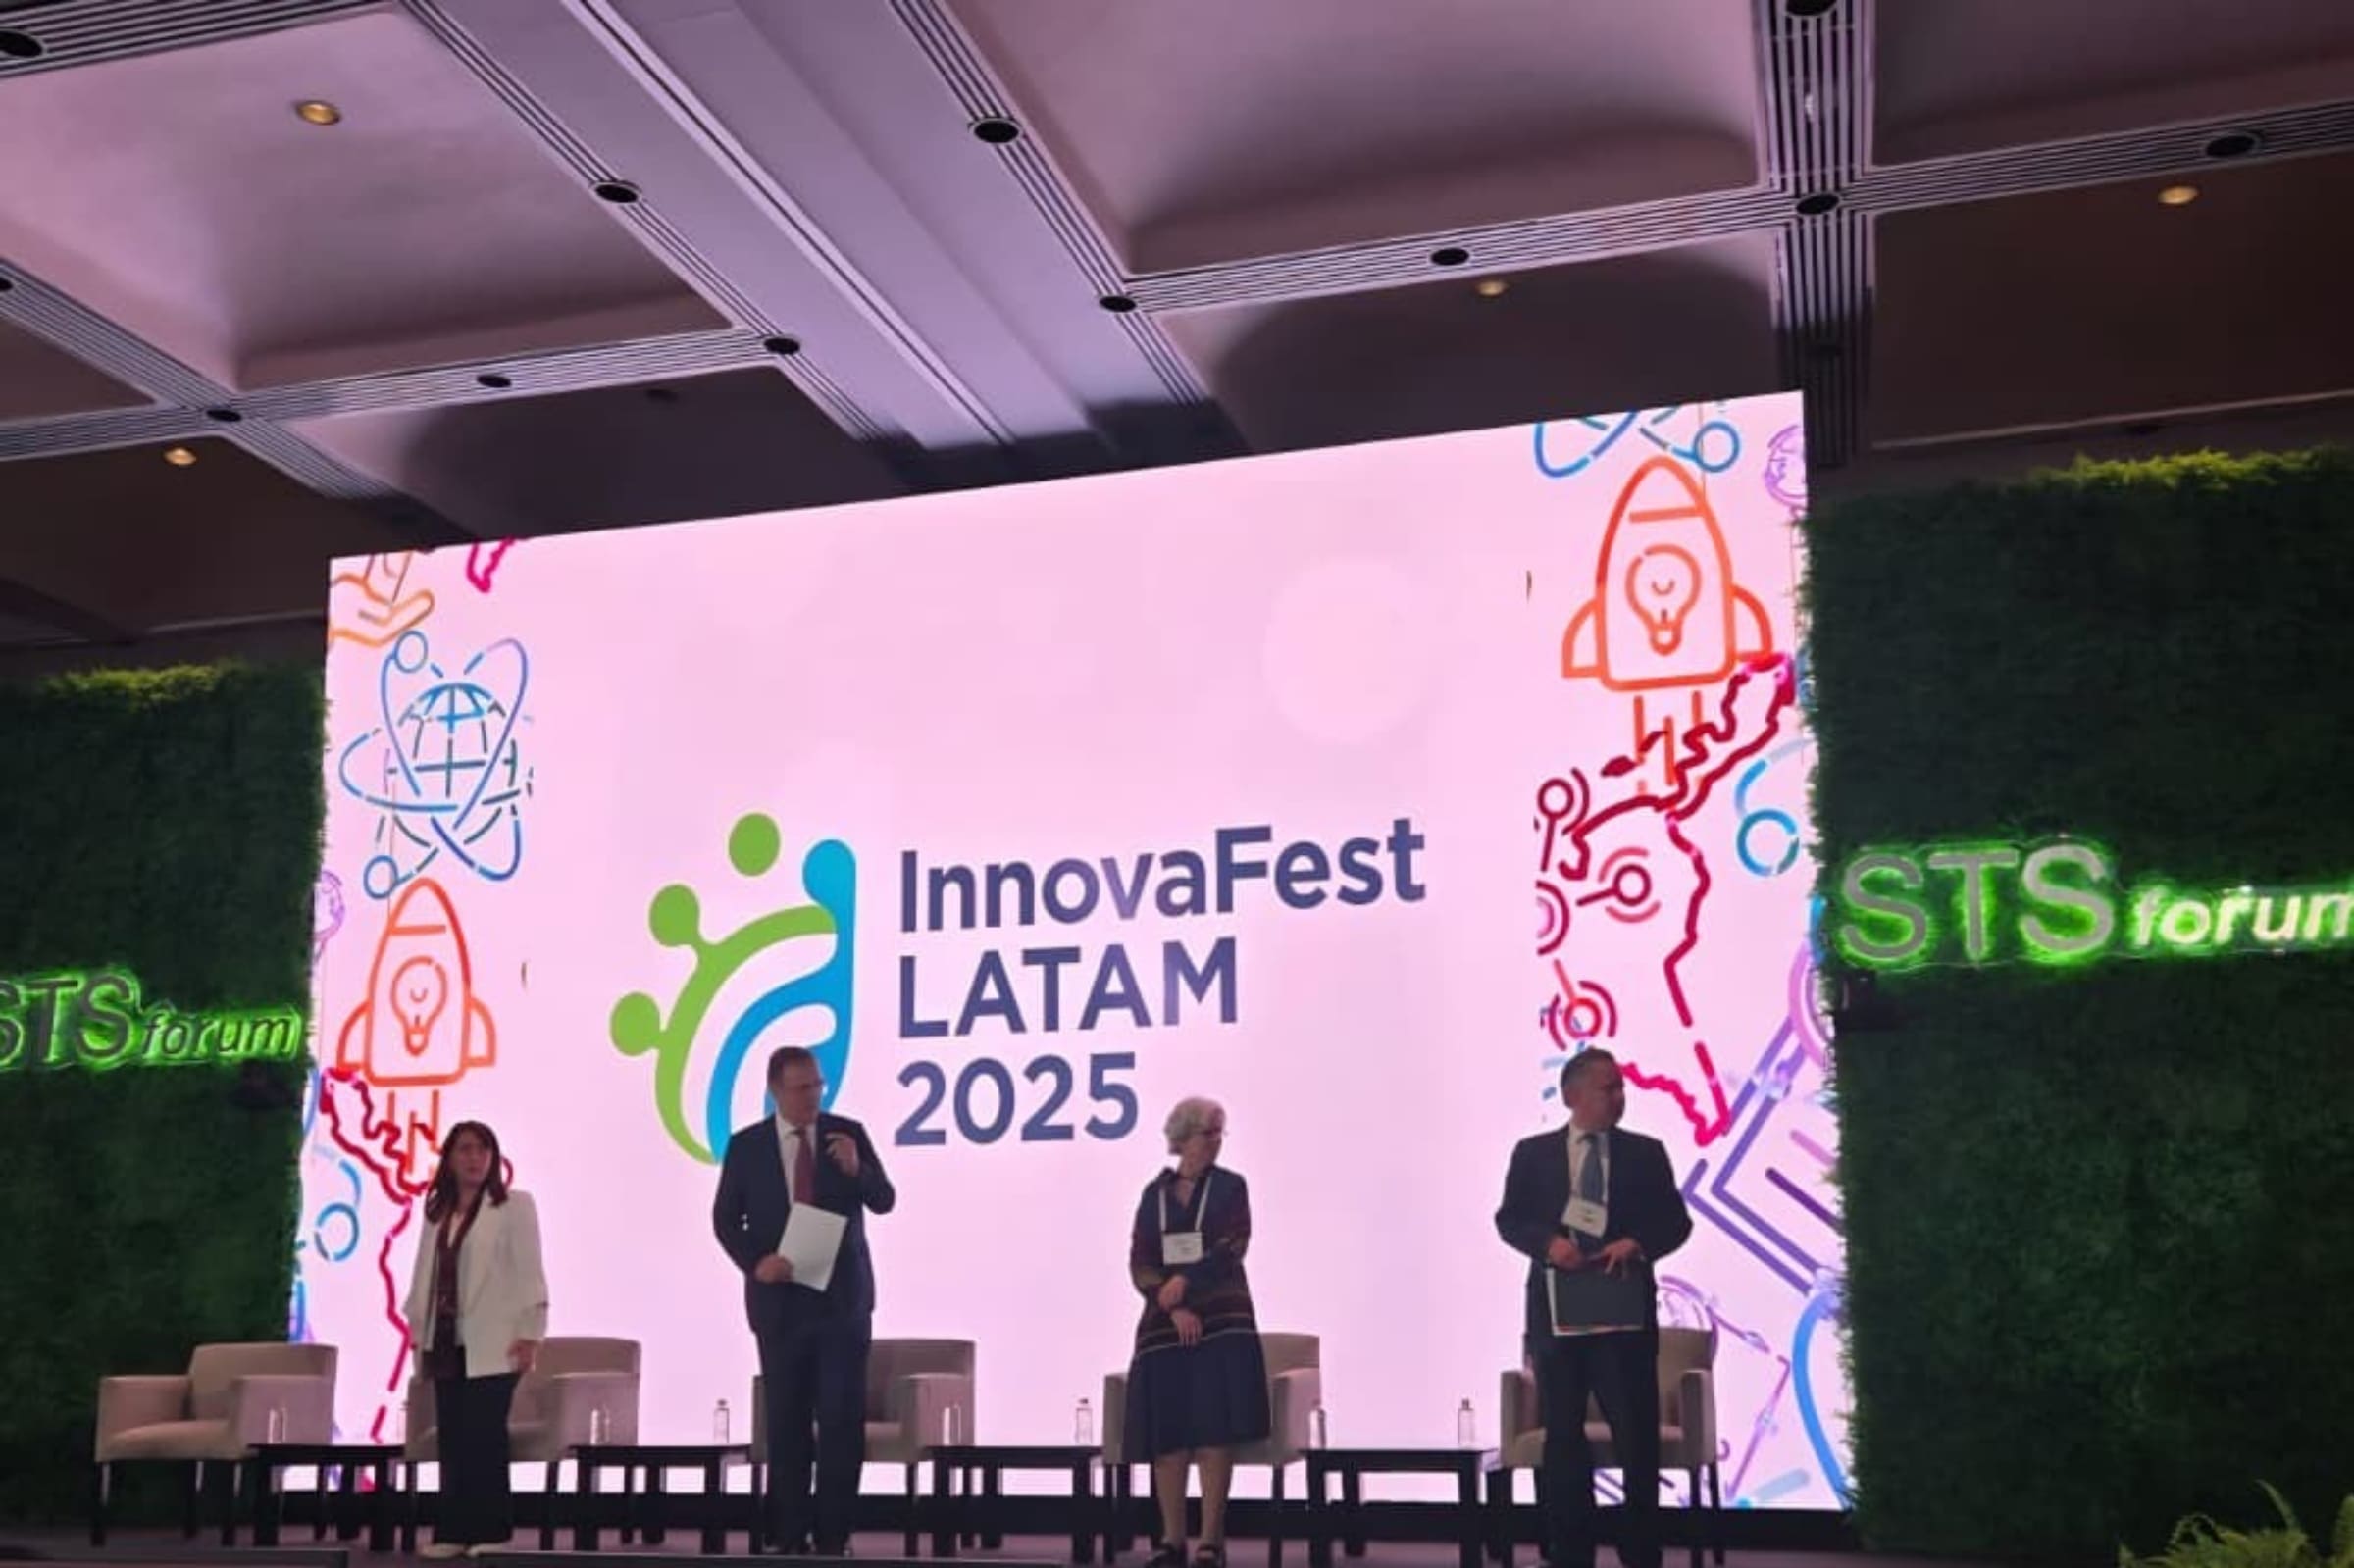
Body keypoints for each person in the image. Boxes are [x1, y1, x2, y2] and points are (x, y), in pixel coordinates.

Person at [1494, 1049, 1693, 1568]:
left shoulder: (1645, 1153)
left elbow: (1676, 1223)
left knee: (1636, 1437)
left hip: (1623, 1316)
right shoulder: (1533, 1154)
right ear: (1573, 1095)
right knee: (1564, 1437)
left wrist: (1637, 1244)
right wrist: (1548, 1244)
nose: (1619, 1097)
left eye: (1622, 1087)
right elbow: (1510, 1219)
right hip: (1557, 1317)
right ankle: (1571, 1551)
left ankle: (1640, 1549)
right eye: (1609, 1088)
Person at [713, 1045, 896, 1556]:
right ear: (776, 1091)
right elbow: (725, 1220)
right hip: (780, 1304)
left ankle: (834, 1536)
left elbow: (884, 1199)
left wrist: (858, 1170)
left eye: (817, 1085)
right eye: (801, 1088)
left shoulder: (847, 1133)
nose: (813, 1096)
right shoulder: (747, 1146)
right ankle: (790, 1535)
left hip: (842, 1303)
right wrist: (756, 1262)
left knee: (840, 1422)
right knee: (787, 1422)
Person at [1123, 1096, 1271, 1568]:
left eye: (1220, 1133)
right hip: (1165, 1325)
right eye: (1209, 1132)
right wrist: (1170, 1302)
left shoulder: (1230, 1188)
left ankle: (1211, 1541)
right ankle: (1172, 1540)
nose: (1216, 1142)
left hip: (1221, 1321)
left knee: (1213, 1431)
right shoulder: (1154, 1195)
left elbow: (1232, 1245)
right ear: (1184, 1136)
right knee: (1168, 1438)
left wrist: (1187, 1283)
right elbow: (1141, 1260)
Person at [401, 1120, 547, 1560]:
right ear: (449, 1158)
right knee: (454, 1436)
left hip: (495, 1341)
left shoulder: (513, 1206)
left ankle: (493, 1529)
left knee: (485, 1436)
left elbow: (530, 1272)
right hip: (446, 1340)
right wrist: (417, 1333)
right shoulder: (437, 1211)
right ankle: (452, 1530)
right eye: (465, 1149)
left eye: (483, 1150)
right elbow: (423, 1275)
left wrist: (531, 1333)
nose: (474, 1159)